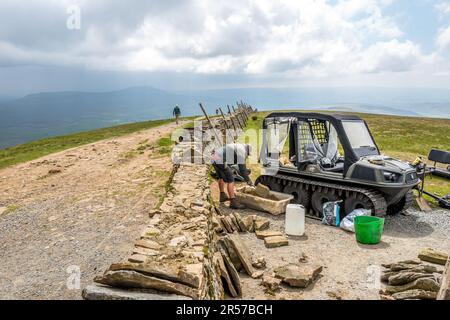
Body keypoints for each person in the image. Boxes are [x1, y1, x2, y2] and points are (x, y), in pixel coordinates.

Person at [211, 143, 253, 209]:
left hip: (214, 157)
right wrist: (249, 181)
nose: (247, 156)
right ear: (247, 151)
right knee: (231, 179)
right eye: (247, 154)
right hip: (220, 159)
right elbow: (242, 169)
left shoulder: (237, 146)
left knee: (220, 177)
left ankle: (222, 196)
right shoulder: (241, 151)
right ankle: (233, 202)